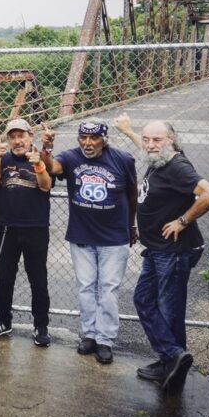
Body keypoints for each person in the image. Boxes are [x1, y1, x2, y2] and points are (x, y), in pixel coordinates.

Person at [115, 115, 209, 391]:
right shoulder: (159, 156)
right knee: (144, 300)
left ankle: (172, 364)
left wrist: (182, 221)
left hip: (174, 252)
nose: (149, 145)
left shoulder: (177, 166)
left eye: (157, 140)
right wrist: (129, 132)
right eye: (147, 139)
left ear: (170, 141)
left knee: (169, 310)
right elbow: (148, 146)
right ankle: (171, 358)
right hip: (158, 250)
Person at [41, 120, 137, 365]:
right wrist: (47, 147)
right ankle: (89, 334)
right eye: (83, 137)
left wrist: (132, 224)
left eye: (93, 138)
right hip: (82, 234)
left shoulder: (122, 159)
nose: (88, 143)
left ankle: (105, 339)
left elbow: (133, 192)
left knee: (108, 288)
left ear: (103, 139)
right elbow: (51, 168)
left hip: (114, 237)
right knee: (85, 286)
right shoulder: (72, 158)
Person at [0, 119, 53, 346]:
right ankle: (4, 320)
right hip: (7, 228)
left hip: (36, 227)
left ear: (30, 136)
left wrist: (39, 166)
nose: (17, 141)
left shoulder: (41, 157)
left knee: (38, 279)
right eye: (12, 136)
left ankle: (40, 325)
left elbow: (46, 186)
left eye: (21, 135)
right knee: (4, 278)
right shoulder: (3, 159)